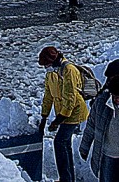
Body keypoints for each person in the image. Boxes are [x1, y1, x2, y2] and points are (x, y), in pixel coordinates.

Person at [37, 46, 90, 182]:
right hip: (63, 112)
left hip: (74, 112)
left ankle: (66, 179)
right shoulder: (51, 73)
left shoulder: (69, 70)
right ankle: (68, 177)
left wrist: (59, 119)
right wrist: (44, 116)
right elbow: (49, 96)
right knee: (64, 144)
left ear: (53, 60)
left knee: (59, 142)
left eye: (47, 64)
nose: (46, 68)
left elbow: (70, 97)